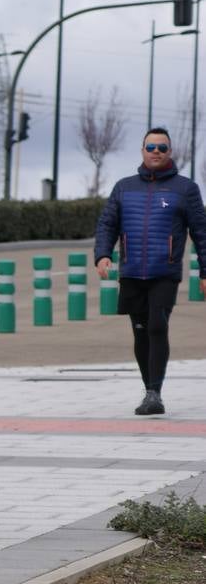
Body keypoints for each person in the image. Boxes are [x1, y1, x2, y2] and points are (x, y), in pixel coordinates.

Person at [95, 127, 206, 415]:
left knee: (157, 325)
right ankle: (149, 391)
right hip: (132, 271)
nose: (156, 151)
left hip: (164, 272)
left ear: (170, 152)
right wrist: (103, 255)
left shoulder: (186, 189)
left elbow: (202, 233)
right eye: (151, 146)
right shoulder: (124, 187)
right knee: (140, 330)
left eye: (162, 147)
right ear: (143, 151)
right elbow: (108, 223)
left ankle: (155, 393)